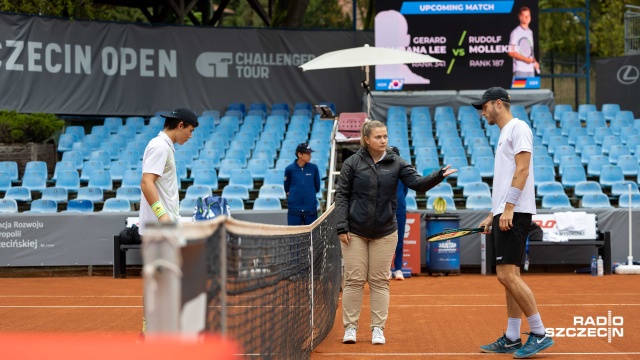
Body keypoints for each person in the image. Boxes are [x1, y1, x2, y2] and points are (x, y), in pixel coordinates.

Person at [335, 120, 456, 345]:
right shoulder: (352, 162)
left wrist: (438, 175)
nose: (383, 140)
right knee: (354, 280)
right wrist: (342, 225)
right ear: (367, 139)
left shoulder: (397, 162)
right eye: (379, 137)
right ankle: (350, 327)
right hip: (355, 231)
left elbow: (418, 184)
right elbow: (341, 195)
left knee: (380, 281)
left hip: (385, 231)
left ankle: (377, 329)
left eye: (385, 136)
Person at [471, 87, 554, 358]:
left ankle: (540, 333)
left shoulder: (518, 128)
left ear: (498, 104)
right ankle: (511, 337)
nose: (482, 111)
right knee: (510, 278)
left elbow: (523, 169)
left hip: (515, 212)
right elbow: (508, 177)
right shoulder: (504, 134)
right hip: (505, 211)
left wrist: (507, 209)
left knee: (506, 275)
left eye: (484, 106)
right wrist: (493, 213)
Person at [139, 107, 198, 235]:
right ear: (181, 125)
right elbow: (146, 183)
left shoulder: (163, 146)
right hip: (159, 230)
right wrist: (162, 216)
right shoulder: (160, 147)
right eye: (190, 130)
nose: (191, 136)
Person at [375, 10, 431, 85]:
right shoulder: (369, 77)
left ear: (407, 40)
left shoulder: (418, 81)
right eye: (385, 35)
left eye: (394, 35)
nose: (389, 42)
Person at [284, 142, 321, 225]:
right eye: (307, 153)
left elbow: (317, 187)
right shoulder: (289, 169)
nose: (310, 156)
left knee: (311, 236)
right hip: (294, 210)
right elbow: (287, 187)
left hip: (310, 209)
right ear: (299, 154)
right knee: (293, 235)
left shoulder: (314, 168)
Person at [390, 146, 408, 281]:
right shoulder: (382, 171)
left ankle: (398, 269)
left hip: (399, 209)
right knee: (383, 241)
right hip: (384, 210)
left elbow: (405, 191)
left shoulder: (403, 172)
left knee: (399, 240)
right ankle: (386, 269)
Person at [508, 6, 540, 78]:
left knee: (531, 89)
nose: (527, 18)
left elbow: (530, 52)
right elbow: (511, 52)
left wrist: (534, 62)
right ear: (520, 17)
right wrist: (525, 59)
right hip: (520, 70)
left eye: (528, 16)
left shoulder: (530, 32)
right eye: (525, 16)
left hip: (531, 70)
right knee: (520, 89)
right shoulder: (515, 32)